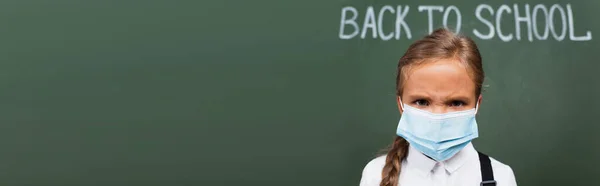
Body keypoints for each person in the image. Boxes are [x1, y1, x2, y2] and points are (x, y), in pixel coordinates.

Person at [359, 28, 517, 186]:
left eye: (456, 103)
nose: (438, 116)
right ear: (401, 105)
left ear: (477, 106)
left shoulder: (501, 177)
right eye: (422, 102)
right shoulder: (375, 176)